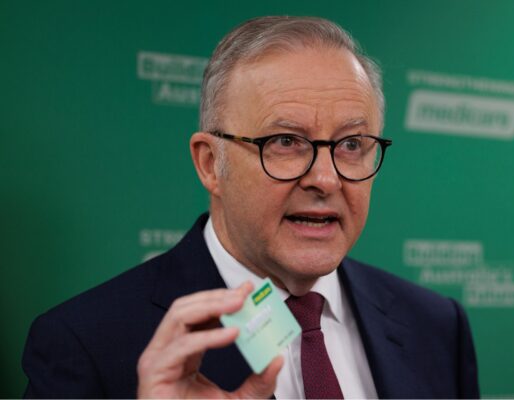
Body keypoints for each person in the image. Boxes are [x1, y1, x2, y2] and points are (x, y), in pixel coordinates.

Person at [22, 16, 479, 399]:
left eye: (352, 144)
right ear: (210, 164)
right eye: (285, 142)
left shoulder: (437, 326)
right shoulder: (85, 345)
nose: (325, 179)